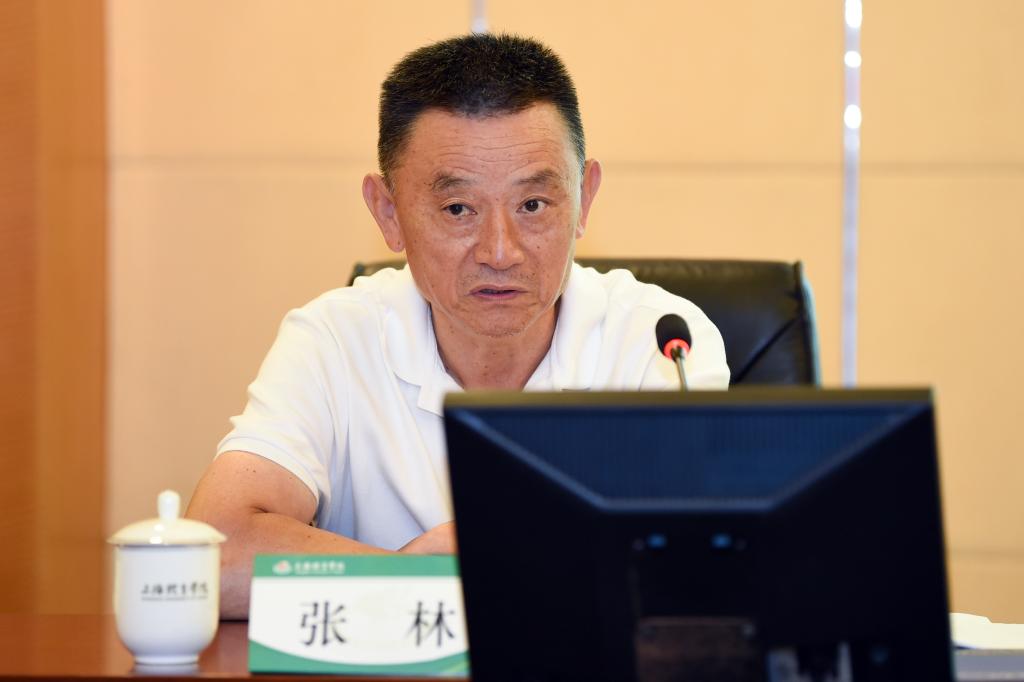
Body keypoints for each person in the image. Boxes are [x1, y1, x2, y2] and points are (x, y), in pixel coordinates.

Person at [186, 33, 730, 619]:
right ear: (388, 213)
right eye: (458, 209)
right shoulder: (334, 340)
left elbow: (697, 573)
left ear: (584, 197)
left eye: (533, 205)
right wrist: (409, 578)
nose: (500, 251)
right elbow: (214, 554)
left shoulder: (660, 343)